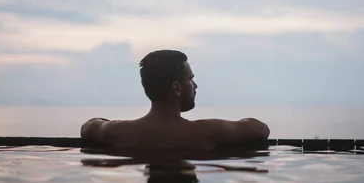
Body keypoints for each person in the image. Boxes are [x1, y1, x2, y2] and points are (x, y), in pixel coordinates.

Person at [80, 49, 270, 149]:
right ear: (176, 88)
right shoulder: (206, 132)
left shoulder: (118, 132)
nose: (195, 86)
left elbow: (89, 126)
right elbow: (260, 129)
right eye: (190, 79)